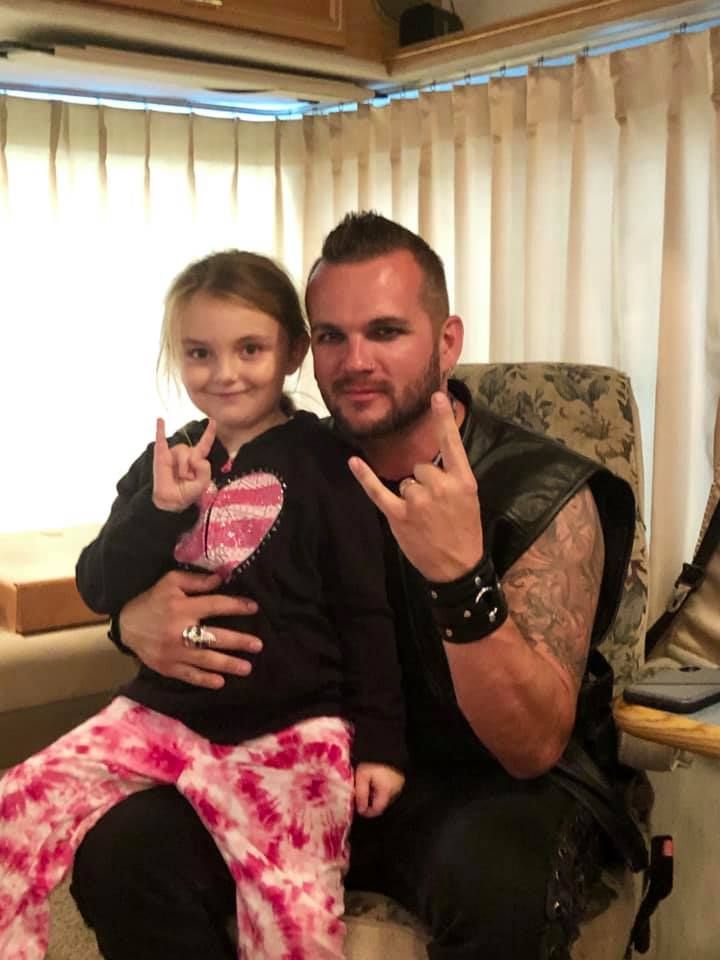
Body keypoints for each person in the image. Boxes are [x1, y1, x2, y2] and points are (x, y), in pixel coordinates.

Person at [69, 212, 648, 960]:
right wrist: (132, 621)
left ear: (447, 341)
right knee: (122, 851)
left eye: (386, 332)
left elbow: (531, 747)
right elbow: (120, 566)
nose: (355, 361)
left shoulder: (543, 490)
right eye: (333, 337)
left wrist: (460, 578)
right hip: (302, 761)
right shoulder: (275, 456)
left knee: (501, 888)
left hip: (479, 787)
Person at [0, 249, 407, 960]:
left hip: (291, 737)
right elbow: (97, 583)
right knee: (17, 809)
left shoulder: (328, 463)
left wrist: (381, 744)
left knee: (295, 926)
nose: (225, 373)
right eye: (199, 353)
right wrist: (160, 510)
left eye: (249, 349)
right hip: (164, 717)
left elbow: (367, 613)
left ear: (292, 352)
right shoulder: (168, 459)